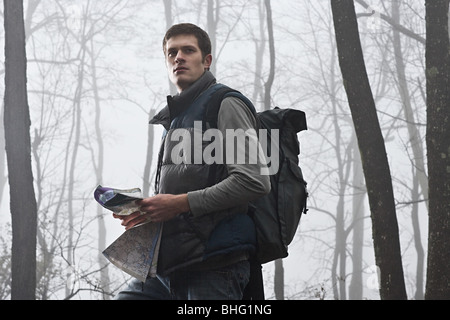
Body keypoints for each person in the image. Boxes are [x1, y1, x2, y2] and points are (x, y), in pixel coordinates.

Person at [113, 23, 270, 300]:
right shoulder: (177, 116)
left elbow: (253, 181)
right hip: (169, 265)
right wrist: (149, 210)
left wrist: (177, 203)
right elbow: (190, 187)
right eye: (172, 52)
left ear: (206, 61)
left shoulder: (225, 103)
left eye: (188, 50)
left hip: (214, 266)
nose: (179, 57)